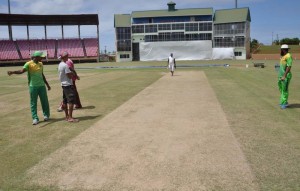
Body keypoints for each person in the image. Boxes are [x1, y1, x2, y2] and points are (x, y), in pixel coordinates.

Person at [7, 51, 51, 125]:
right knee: (33, 103)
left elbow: (42, 75)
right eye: (41, 57)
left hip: (42, 86)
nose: (42, 58)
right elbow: (22, 71)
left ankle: (46, 115)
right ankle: (35, 118)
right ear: (36, 57)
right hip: (33, 86)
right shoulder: (28, 64)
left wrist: (47, 84)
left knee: (45, 101)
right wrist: (13, 72)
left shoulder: (41, 64)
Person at [278, 44, 293, 109]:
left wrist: (284, 75)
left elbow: (289, 66)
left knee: (285, 90)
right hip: (281, 76)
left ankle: (284, 103)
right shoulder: (284, 56)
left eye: (281, 50)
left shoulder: (288, 56)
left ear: (283, 50)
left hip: (285, 76)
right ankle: (283, 101)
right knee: (281, 89)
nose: (280, 51)